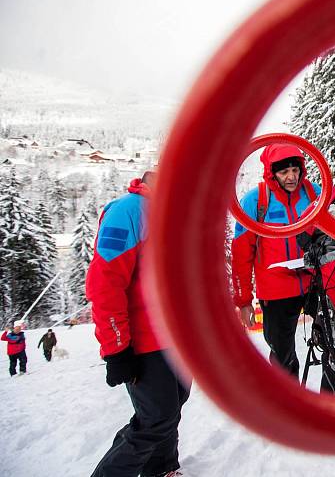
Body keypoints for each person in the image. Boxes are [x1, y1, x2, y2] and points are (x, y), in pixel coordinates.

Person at [86, 171, 191, 477]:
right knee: (155, 419)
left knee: (171, 409)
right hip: (145, 341)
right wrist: (116, 349)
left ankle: (161, 468)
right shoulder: (129, 211)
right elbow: (105, 283)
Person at [231, 144, 322, 380]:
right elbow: (241, 255)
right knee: (283, 356)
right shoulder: (256, 201)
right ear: (272, 173)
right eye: (284, 172)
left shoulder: (314, 193)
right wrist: (243, 301)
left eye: (295, 170)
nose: (292, 177)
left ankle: (332, 398)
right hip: (276, 292)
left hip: (315, 283)